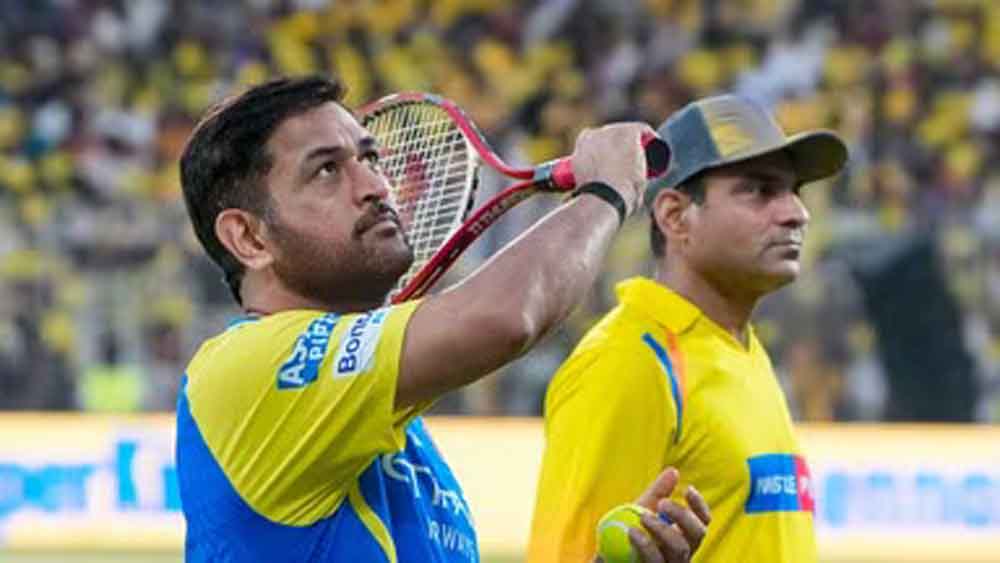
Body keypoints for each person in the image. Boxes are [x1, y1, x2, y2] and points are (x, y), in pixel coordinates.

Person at [174, 75, 709, 563]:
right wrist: (607, 191)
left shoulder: (394, 426)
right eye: (327, 170)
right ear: (248, 237)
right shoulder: (245, 371)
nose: (376, 186)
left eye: (370, 158)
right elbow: (506, 317)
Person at [527, 94, 848, 562]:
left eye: (792, 190)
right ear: (675, 216)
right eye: (760, 191)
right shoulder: (628, 361)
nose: (796, 212)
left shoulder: (739, 347)